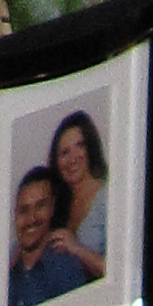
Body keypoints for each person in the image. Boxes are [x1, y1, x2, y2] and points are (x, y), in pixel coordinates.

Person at [5, 164, 85, 306]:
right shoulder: (5, 268)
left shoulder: (64, 267)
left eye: (40, 206)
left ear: (52, 209)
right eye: (24, 210)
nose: (32, 218)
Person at [45, 108, 111, 283]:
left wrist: (77, 249)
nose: (72, 159)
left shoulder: (108, 197)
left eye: (79, 146)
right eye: (64, 153)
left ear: (90, 148)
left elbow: (120, 270)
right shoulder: (57, 204)